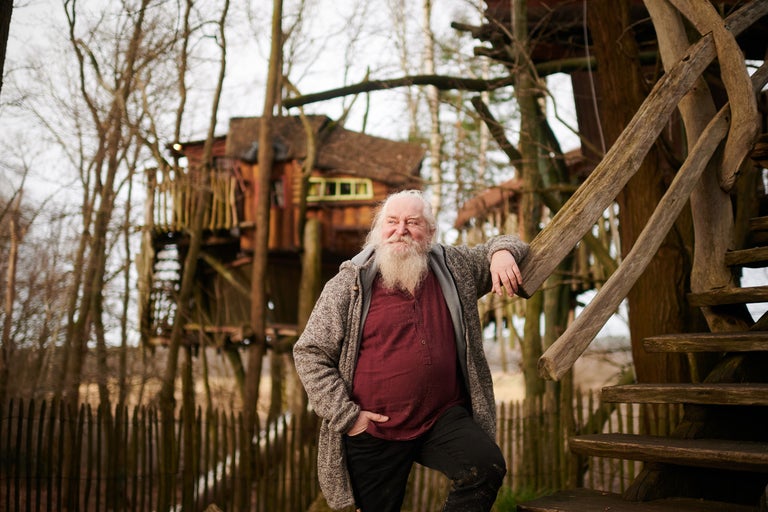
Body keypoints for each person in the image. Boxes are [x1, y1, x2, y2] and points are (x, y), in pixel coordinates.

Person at [293, 189, 528, 512]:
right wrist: (347, 417)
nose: (400, 229)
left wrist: (502, 252)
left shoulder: (455, 267)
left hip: (441, 417)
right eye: (392, 221)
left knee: (486, 467)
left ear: (430, 233)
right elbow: (309, 352)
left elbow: (506, 242)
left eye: (412, 222)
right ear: (378, 229)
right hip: (375, 428)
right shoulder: (349, 284)